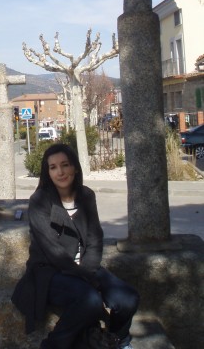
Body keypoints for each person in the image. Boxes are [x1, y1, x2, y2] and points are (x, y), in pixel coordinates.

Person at [11, 143, 139, 349]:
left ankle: (118, 339)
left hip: (86, 267)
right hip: (51, 272)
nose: (60, 172)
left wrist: (88, 269)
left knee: (128, 299)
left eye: (65, 165)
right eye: (53, 167)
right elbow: (52, 250)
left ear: (75, 168)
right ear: (47, 172)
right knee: (90, 300)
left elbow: (95, 238)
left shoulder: (86, 196)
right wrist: (85, 277)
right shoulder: (40, 200)